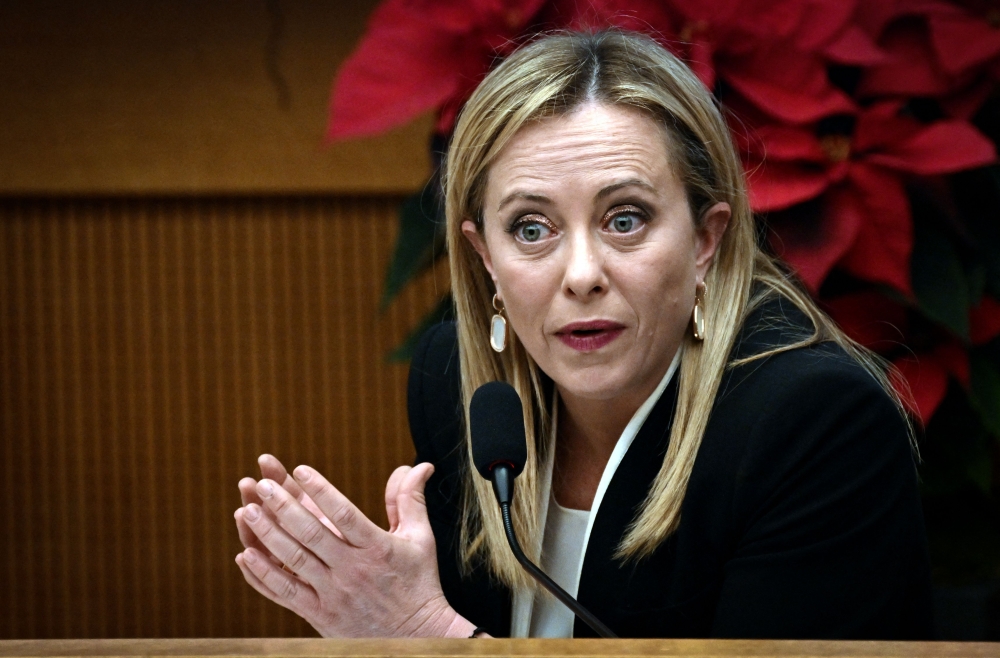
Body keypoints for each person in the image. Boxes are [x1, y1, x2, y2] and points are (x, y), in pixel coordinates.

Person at [233, 30, 933, 639]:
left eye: (624, 219)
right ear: (486, 261)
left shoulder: (814, 424)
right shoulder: (461, 388)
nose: (581, 274)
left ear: (705, 242)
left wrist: (427, 635)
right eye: (531, 229)